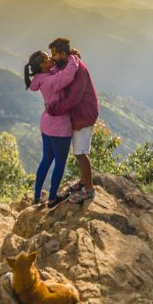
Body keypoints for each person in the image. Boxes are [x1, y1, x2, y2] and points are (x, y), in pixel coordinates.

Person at [46, 37, 99, 204]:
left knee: (81, 153)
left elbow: (74, 99)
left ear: (63, 53)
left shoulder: (78, 71)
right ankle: (84, 181)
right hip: (79, 115)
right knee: (80, 151)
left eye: (54, 54)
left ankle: (89, 190)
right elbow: (56, 68)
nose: (52, 57)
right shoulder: (69, 63)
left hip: (84, 115)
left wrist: (53, 110)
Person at [24, 50, 80, 208]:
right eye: (48, 58)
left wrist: (66, 56)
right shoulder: (52, 80)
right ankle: (53, 198)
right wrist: (73, 58)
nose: (51, 59)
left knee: (46, 159)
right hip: (60, 126)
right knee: (60, 163)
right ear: (42, 65)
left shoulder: (40, 78)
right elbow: (68, 75)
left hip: (46, 125)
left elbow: (56, 70)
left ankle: (36, 197)